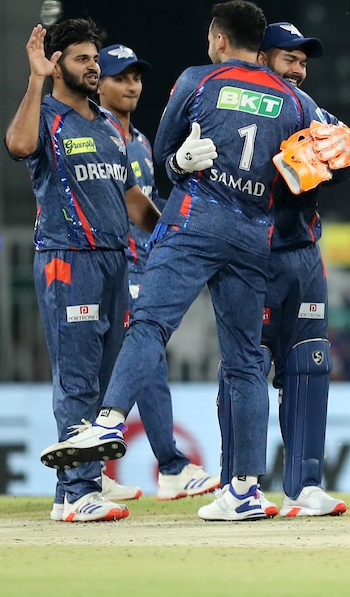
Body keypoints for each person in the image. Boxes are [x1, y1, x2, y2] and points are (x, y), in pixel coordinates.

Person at [37, 1, 338, 522]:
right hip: (254, 235)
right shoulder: (294, 100)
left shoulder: (199, 80)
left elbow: (164, 157)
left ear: (219, 39)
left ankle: (108, 421)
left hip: (195, 223)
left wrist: (178, 163)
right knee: (246, 361)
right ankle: (244, 491)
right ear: (260, 44)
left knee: (150, 324)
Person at [215, 21, 350, 517]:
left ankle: (305, 486)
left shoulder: (307, 109)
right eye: (290, 59)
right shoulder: (232, 105)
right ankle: (236, 486)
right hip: (251, 255)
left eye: (304, 62)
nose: (299, 70)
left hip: (304, 255)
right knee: (245, 366)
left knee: (309, 364)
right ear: (261, 58)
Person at [5, 19, 161, 522]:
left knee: (105, 378)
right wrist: (34, 80)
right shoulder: (45, 115)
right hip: (68, 258)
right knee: (77, 378)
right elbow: (18, 146)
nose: (94, 67)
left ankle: (73, 489)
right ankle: (78, 491)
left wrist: (173, 240)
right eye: (82, 59)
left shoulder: (109, 126)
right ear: (56, 66)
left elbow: (131, 197)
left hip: (115, 261)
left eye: (95, 58)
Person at [96, 43, 221, 503]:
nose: (132, 85)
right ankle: (169, 466)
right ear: (98, 84)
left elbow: (147, 204)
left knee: (121, 363)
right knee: (143, 360)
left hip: (141, 262)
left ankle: (93, 471)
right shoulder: (97, 134)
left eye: (136, 77)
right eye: (120, 77)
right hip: (115, 264)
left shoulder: (141, 141)